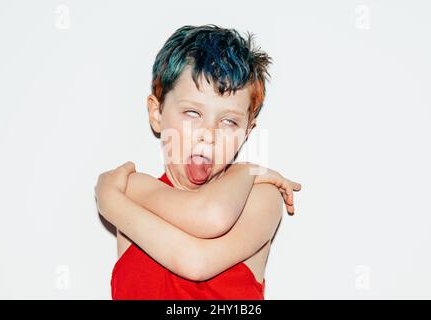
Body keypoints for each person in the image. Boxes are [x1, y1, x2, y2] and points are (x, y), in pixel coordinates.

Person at [94, 24, 302, 299]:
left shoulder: (261, 197)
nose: (209, 134)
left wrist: (109, 200)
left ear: (247, 131)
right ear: (157, 113)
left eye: (229, 121)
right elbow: (203, 219)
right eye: (192, 113)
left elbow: (203, 240)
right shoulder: (132, 190)